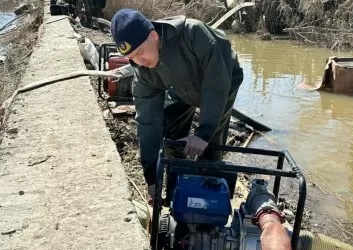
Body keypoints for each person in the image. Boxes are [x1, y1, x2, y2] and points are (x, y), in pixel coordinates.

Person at [110, 9, 292, 250]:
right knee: (171, 134)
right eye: (132, 57)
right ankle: (181, 206)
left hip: (221, 80)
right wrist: (152, 178)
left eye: (141, 53)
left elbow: (216, 83)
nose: (139, 62)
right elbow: (148, 124)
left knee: (210, 147)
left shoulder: (193, 34)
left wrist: (205, 132)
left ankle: (211, 212)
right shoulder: (143, 74)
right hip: (180, 87)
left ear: (153, 35)